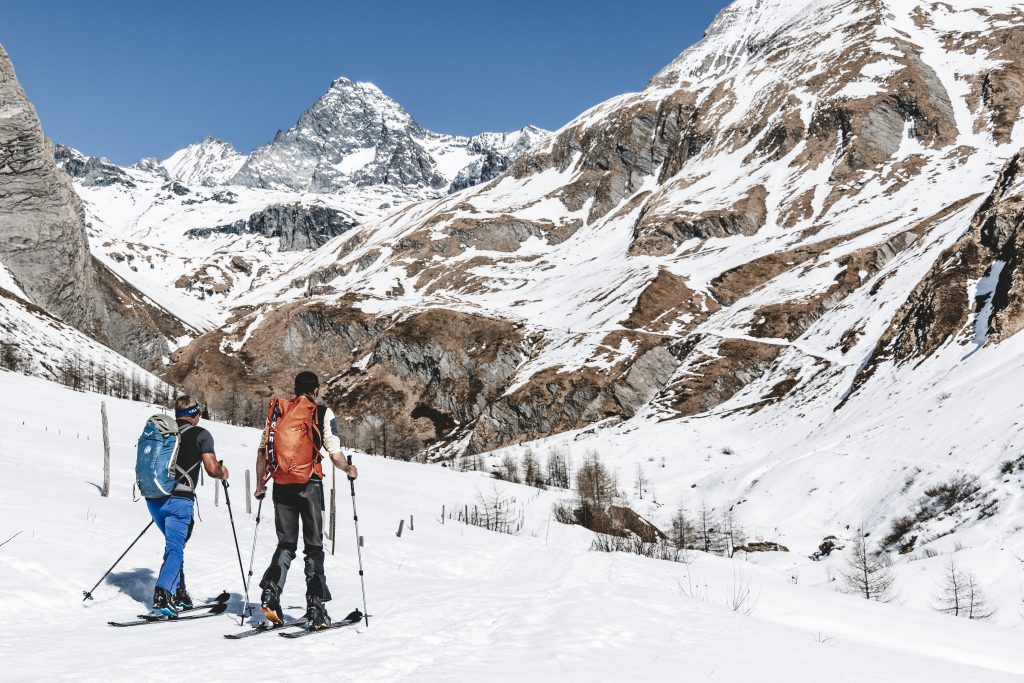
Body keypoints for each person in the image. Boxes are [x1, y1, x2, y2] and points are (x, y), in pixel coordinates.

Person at [255, 371, 358, 630]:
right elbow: (334, 455)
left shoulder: (279, 411)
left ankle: (270, 592)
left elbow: (263, 451)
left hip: (281, 485)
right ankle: (316, 606)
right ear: (317, 389)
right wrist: (349, 469)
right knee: (313, 547)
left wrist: (259, 484)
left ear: (295, 387)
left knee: (286, 544)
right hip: (309, 485)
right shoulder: (322, 412)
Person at [148, 395, 229, 616]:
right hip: (180, 501)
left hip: (155, 500)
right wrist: (223, 472)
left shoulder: (164, 434)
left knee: (176, 546)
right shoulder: (201, 434)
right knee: (175, 548)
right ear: (194, 414)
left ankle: (180, 593)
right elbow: (212, 469)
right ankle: (163, 595)